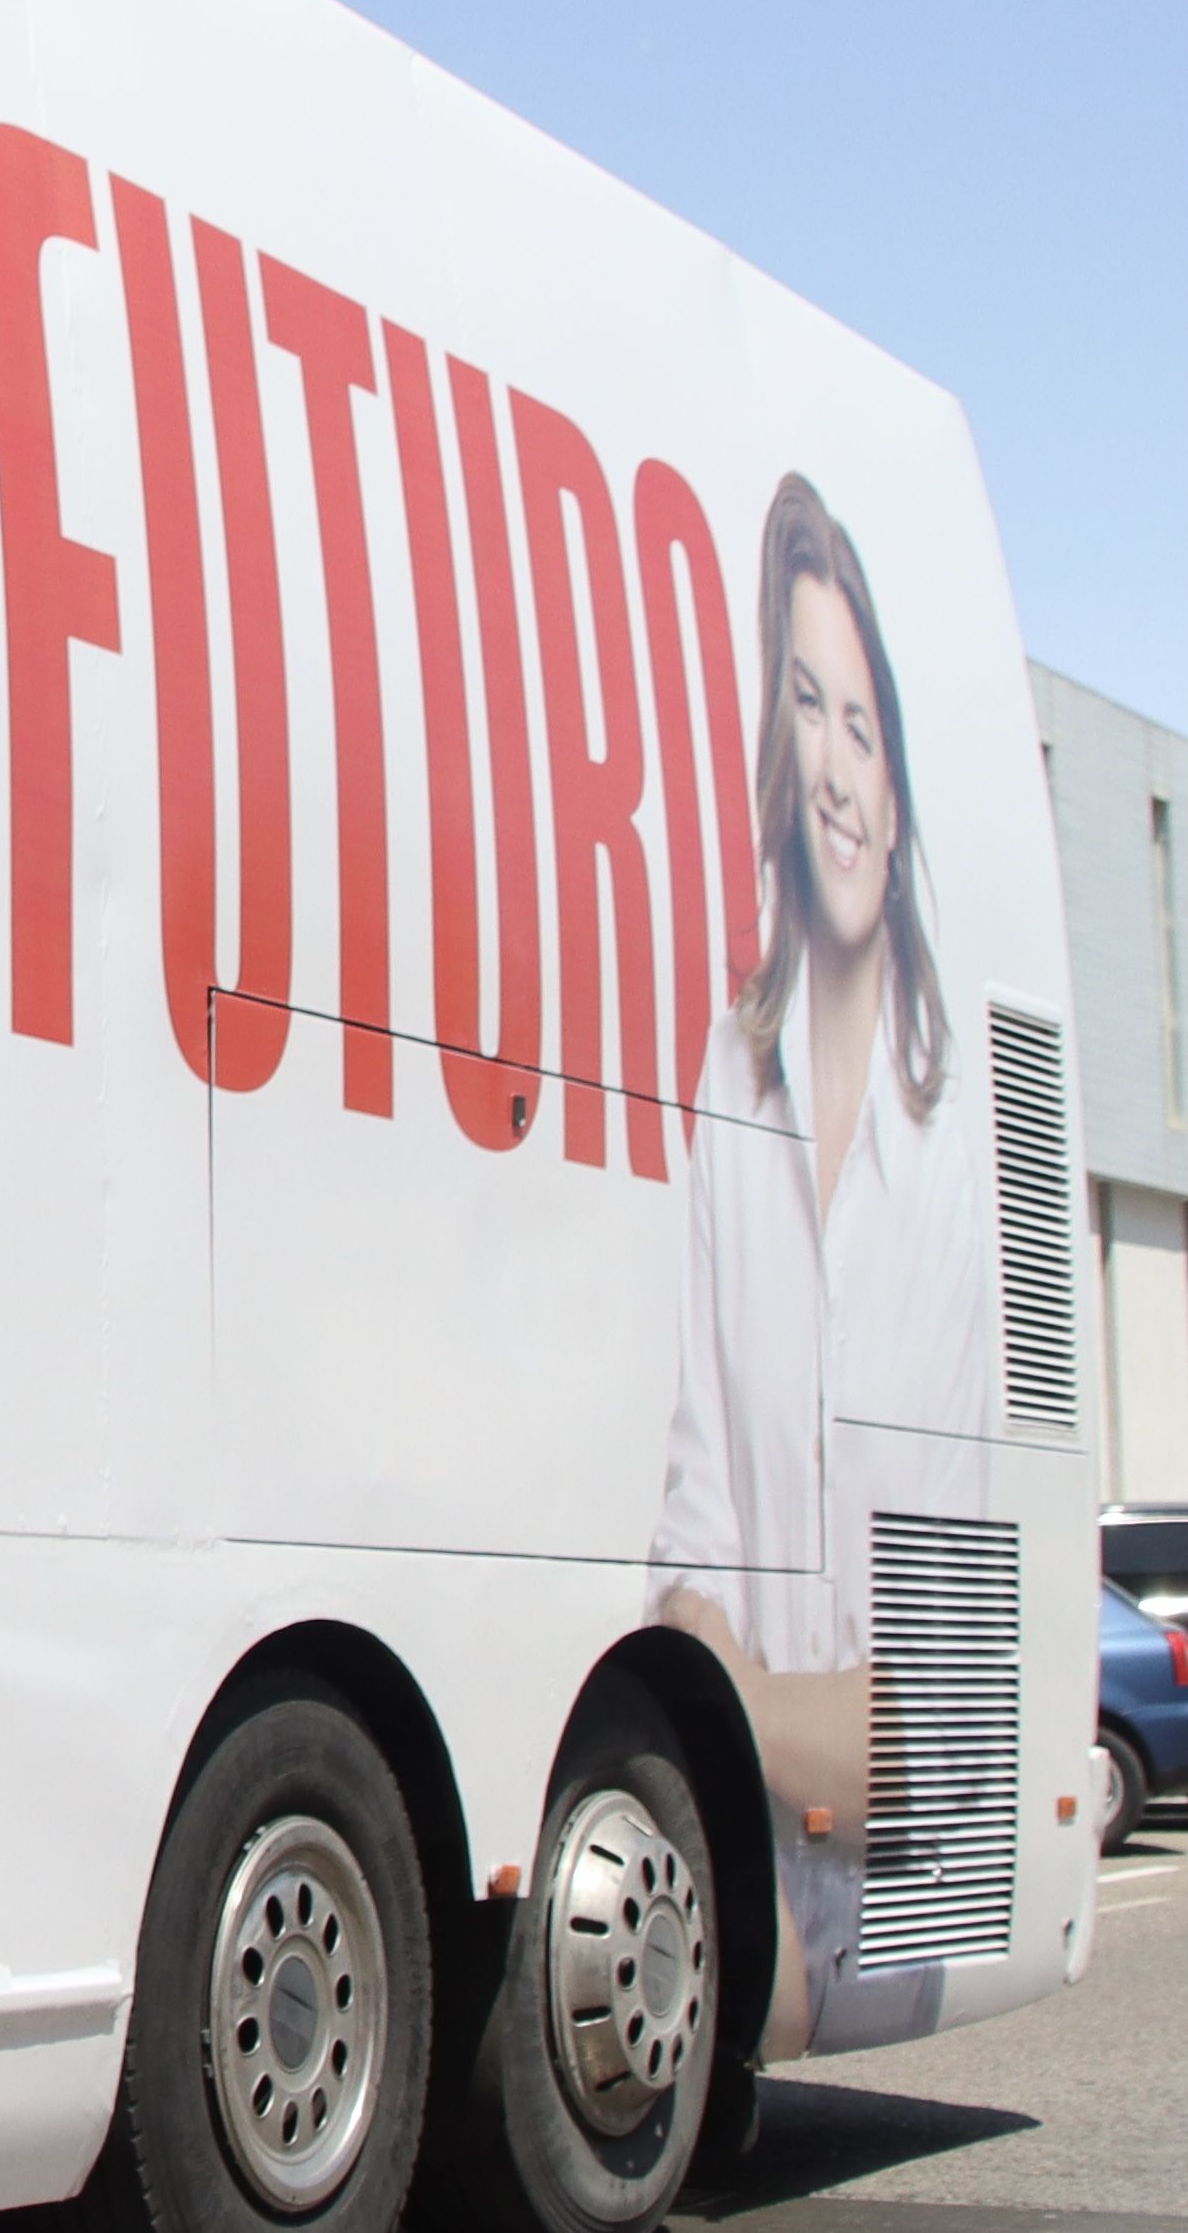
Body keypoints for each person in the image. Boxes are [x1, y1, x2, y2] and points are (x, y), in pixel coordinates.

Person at [650, 472, 993, 2053]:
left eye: (863, 722)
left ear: (896, 786)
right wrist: (781, 1737)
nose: (840, 765)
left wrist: (736, 1717)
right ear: (776, 757)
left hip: (886, 1931)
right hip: (760, 1919)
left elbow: (948, 1731)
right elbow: (693, 1541)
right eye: (807, 707)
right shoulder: (731, 1078)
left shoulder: (955, 1139)